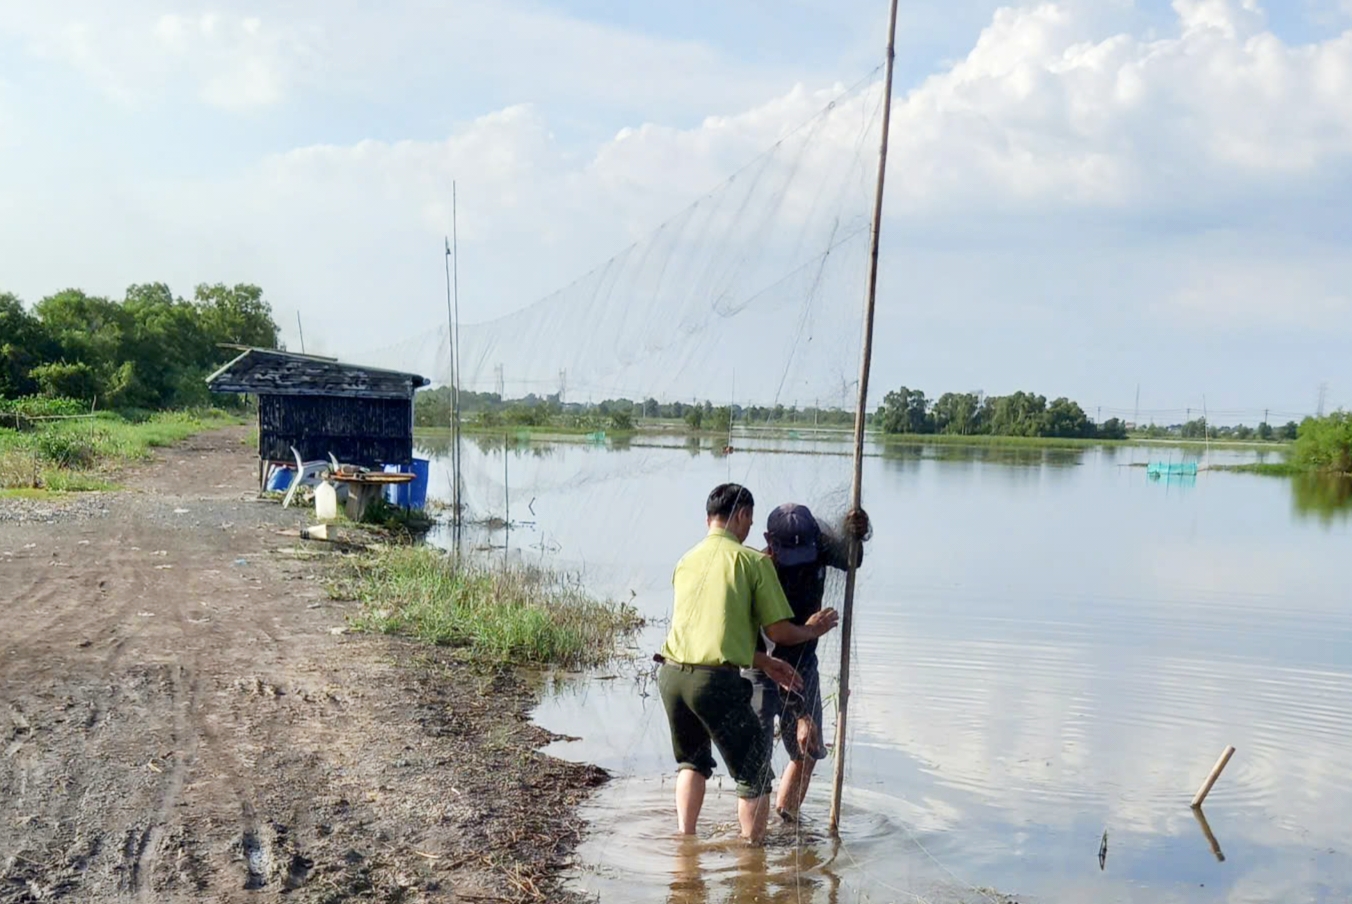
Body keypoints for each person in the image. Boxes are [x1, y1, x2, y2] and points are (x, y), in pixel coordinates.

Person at [656, 483, 840, 843]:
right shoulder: (751, 562)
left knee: (693, 763)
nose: (749, 529)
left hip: (672, 676)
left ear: (708, 517)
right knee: (755, 773)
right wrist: (812, 629)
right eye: (749, 520)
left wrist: (763, 662)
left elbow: (707, 632)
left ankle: (685, 844)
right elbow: (780, 632)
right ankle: (752, 861)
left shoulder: (686, 560)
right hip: (714, 683)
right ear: (741, 516)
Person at [745, 502, 870, 822]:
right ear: (770, 542)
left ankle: (785, 817)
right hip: (761, 665)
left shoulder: (819, 546)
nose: (799, 563)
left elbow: (851, 559)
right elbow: (776, 644)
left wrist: (859, 532)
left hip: (804, 662)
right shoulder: (760, 568)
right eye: (789, 554)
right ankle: (753, 837)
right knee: (755, 759)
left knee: (808, 749)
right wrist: (801, 711)